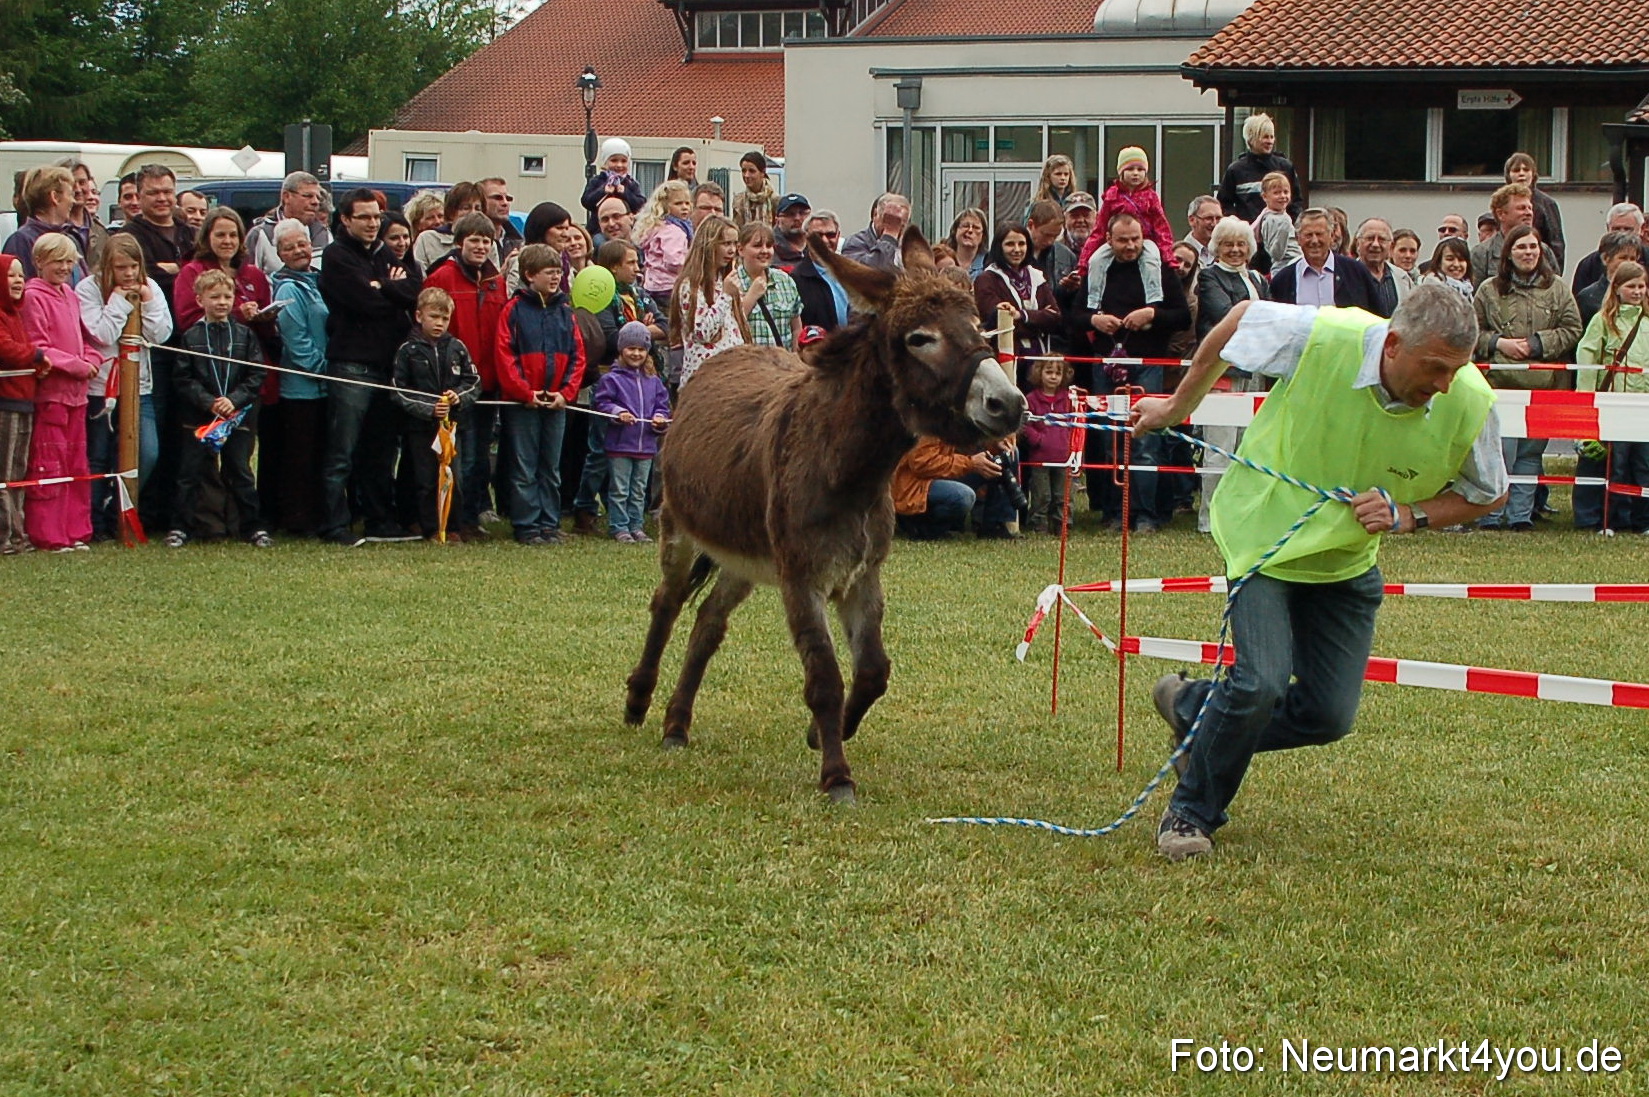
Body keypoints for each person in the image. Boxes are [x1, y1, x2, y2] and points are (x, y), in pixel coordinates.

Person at [1133, 285, 1507, 860]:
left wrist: (1411, 515)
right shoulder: (1324, 336)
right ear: (1393, 344)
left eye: (1456, 369)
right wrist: (1176, 408)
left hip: (1346, 560)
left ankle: (1192, 709)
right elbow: (1240, 320)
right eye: (1435, 367)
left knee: (1328, 716)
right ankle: (1190, 815)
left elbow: (1489, 493)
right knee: (1258, 685)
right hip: (1267, 538)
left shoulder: (1470, 400)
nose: (1445, 384)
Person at [1072, 212, 1191, 532]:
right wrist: (1094, 321)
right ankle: (1114, 513)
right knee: (1110, 441)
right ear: (1108, 240)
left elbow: (1182, 317)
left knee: (1145, 442)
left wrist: (1152, 314)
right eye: (1123, 240)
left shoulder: (1160, 269)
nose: (1130, 246)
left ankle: (1145, 514)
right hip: (1106, 366)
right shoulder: (1098, 268)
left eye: (1136, 239)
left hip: (1148, 365)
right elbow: (1074, 316)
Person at [317, 187, 422, 545]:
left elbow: (415, 289)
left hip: (387, 365)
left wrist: (385, 286)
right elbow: (365, 302)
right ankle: (334, 524)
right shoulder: (336, 256)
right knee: (341, 452)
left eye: (376, 216)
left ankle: (380, 520)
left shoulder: (383, 251)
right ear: (346, 220)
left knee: (381, 450)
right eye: (363, 217)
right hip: (352, 365)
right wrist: (390, 290)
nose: (372, 223)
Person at [1473, 224, 1581, 531]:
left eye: (1533, 246)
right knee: (1501, 453)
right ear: (1509, 253)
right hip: (1500, 385)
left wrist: (1538, 344)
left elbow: (1573, 328)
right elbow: (1472, 331)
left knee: (1530, 455)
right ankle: (1492, 515)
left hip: (1544, 385)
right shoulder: (1488, 290)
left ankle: (1520, 516)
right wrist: (1499, 343)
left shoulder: (1557, 288)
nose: (1528, 252)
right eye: (1521, 247)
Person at [75, 233, 170, 540]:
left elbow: (160, 334)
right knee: (98, 455)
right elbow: (102, 334)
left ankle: (119, 510)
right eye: (120, 267)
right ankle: (95, 523)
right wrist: (118, 300)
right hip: (100, 388)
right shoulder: (87, 288)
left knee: (148, 452)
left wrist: (147, 301)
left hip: (138, 386)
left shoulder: (149, 286)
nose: (129, 274)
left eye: (133, 266)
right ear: (107, 266)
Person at [167, 268, 269, 548]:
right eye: (215, 297)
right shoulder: (191, 336)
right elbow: (183, 378)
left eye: (227, 296)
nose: (222, 302)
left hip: (237, 416)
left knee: (240, 471)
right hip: (200, 417)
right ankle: (181, 527)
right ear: (200, 300)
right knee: (190, 473)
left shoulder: (245, 335)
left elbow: (256, 373)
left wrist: (234, 399)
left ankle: (252, 526)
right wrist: (208, 401)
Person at [421, 211, 505, 539]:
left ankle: (470, 518)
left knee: (480, 456)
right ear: (459, 243)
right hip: (455, 385)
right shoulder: (442, 277)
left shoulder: (496, 281)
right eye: (474, 240)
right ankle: (451, 520)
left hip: (487, 382)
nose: (481, 247)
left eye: (486, 241)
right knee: (458, 457)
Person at [495, 243, 586, 545]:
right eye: (549, 272)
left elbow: (577, 356)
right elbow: (505, 356)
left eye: (558, 272)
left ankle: (549, 522)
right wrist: (524, 392)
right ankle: (527, 524)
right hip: (524, 403)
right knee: (524, 466)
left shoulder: (565, 312)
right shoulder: (513, 310)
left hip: (556, 401)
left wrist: (566, 393)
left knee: (551, 466)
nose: (555, 277)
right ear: (530, 275)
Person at [20, 235, 100, 551]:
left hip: (78, 396)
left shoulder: (70, 295)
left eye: (69, 261)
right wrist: (77, 366)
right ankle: (49, 534)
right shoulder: (32, 296)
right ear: (40, 262)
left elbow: (84, 338)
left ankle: (76, 530)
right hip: (51, 395)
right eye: (58, 261)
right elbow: (38, 347)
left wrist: (93, 359)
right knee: (49, 464)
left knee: (76, 463)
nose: (65, 267)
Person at [389, 286, 479, 540]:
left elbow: (473, 382)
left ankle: (453, 527)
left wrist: (457, 397)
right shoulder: (408, 350)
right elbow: (398, 390)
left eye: (444, 318)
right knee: (426, 480)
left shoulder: (457, 347)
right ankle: (430, 528)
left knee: (454, 476)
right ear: (419, 316)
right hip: (421, 428)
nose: (439, 323)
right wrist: (429, 409)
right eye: (434, 317)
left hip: (451, 427)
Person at [1575, 261, 1648, 534]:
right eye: (1631, 286)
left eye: (1642, 286)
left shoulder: (1647, 322)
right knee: (1611, 466)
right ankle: (1607, 519)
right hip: (1613, 405)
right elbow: (1587, 359)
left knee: (1643, 465)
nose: (1637, 291)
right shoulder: (1602, 321)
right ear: (1616, 288)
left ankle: (1642, 520)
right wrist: (1587, 401)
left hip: (1643, 407)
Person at [269, 219, 329, 536]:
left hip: (323, 388)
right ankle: (297, 519)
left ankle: (318, 514)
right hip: (301, 388)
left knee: (320, 454)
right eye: (289, 247)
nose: (298, 251)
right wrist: (326, 370)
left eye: (302, 244)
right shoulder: (288, 288)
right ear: (279, 253)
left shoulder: (318, 280)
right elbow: (297, 342)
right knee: (299, 458)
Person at [592, 321, 670, 543]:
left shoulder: (654, 382)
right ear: (621, 349)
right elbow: (602, 403)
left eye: (641, 349)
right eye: (631, 348)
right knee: (620, 489)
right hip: (620, 446)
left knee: (638, 490)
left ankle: (636, 526)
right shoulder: (611, 379)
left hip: (645, 447)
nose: (636, 353)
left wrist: (659, 419)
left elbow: (662, 406)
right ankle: (619, 526)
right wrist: (618, 412)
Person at [974, 220, 1060, 383]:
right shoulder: (987, 279)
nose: (1017, 249)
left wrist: (1022, 315)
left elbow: (1055, 317)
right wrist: (1039, 319)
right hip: (1004, 363)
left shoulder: (1036, 277)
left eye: (1022, 244)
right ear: (999, 247)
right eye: (1010, 244)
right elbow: (997, 322)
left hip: (1039, 361)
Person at [0, 254, 45, 554]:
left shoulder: (15, 314)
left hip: (24, 400)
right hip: (6, 402)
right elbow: (7, 349)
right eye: (11, 275)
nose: (18, 281)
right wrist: (36, 355)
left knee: (18, 472)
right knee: (4, 474)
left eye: (21, 275)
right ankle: (4, 536)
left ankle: (18, 534)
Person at [891, 436, 1021, 539]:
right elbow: (921, 463)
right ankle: (917, 525)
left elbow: (968, 443)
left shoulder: (956, 416)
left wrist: (994, 443)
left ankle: (995, 526)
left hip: (941, 474)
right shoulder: (929, 419)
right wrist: (970, 463)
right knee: (964, 496)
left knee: (1007, 454)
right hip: (915, 485)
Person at [670, 215, 747, 385]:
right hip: (704, 378)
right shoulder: (690, 285)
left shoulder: (724, 280)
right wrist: (725, 296)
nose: (732, 250)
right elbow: (701, 333)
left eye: (734, 244)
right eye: (726, 244)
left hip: (731, 374)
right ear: (708, 245)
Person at [1083, 147, 1177, 276]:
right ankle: (1094, 289)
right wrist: (1083, 262)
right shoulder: (1112, 195)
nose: (1135, 173)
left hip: (1146, 240)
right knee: (1096, 261)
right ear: (1121, 172)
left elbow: (1161, 227)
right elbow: (1100, 228)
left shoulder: (1151, 196)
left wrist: (1168, 256)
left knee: (1152, 259)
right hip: (1116, 241)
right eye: (1130, 169)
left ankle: (1154, 289)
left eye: (1140, 169)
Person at [1269, 209, 1381, 312]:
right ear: (1298, 238)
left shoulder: (1355, 272)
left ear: (1331, 236)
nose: (1314, 240)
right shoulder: (1283, 281)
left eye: (1319, 234)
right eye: (1308, 235)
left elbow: (1378, 317)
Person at [1019, 356, 1074, 533]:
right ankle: (1038, 524)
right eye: (1049, 372)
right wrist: (1038, 439)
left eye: (1058, 373)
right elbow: (1025, 424)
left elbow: (1076, 424)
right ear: (1039, 373)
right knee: (1042, 495)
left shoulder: (1069, 399)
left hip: (1064, 457)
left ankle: (1062, 524)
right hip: (1040, 457)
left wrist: (1070, 443)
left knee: (1062, 495)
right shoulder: (1031, 399)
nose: (1053, 377)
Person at [1219, 112, 1305, 223]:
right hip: (1247, 231)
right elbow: (1224, 203)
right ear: (1251, 139)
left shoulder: (1285, 167)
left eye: (1272, 137)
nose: (1270, 141)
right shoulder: (1235, 170)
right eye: (1265, 137)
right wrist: (1238, 224)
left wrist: (1291, 223)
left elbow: (1296, 201)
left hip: (1281, 230)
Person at [731, 221, 803, 351]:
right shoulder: (731, 283)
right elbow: (730, 327)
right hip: (748, 361)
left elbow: (796, 328)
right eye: (757, 246)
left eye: (769, 246)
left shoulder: (785, 280)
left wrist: (795, 357)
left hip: (782, 361)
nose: (764, 251)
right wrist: (751, 296)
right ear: (740, 249)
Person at [3, 166, 81, 281]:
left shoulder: (71, 238)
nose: (73, 201)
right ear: (55, 197)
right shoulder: (21, 241)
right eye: (70, 194)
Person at [1469, 183, 1555, 287]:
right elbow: (1476, 293)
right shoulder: (1481, 253)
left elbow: (1555, 289)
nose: (1529, 213)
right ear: (1501, 214)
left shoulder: (1543, 251)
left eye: (1530, 208)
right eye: (1521, 208)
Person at [246, 171, 329, 276]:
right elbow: (248, 279)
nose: (315, 202)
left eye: (318, 198)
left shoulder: (323, 234)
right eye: (308, 196)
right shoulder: (261, 234)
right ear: (286, 197)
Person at [634, 180, 693, 312]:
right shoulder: (674, 231)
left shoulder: (657, 227)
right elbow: (674, 261)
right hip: (669, 286)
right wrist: (690, 268)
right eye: (678, 203)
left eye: (687, 203)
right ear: (665, 206)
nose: (684, 207)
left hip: (653, 285)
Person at [1504, 152, 1564, 272]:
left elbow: (1556, 242)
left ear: (1533, 174)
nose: (1521, 174)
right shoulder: (1502, 200)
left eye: (1526, 170)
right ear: (1508, 175)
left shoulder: (1546, 203)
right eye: (1516, 170)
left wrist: (1553, 272)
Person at [790, 210, 847, 332]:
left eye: (830, 235)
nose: (824, 240)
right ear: (806, 238)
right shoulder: (795, 280)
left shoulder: (850, 273)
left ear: (838, 236)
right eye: (817, 236)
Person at [1575, 231, 1645, 330]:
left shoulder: (1645, 296)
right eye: (1623, 258)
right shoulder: (1588, 298)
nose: (1629, 263)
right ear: (1606, 259)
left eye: (1633, 259)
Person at [1571, 205, 1649, 292]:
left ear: (1641, 229)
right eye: (1616, 229)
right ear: (1608, 228)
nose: (1621, 234)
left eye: (1628, 229)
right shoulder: (1589, 265)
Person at [412, 182, 485, 273]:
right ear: (451, 212)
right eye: (466, 208)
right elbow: (418, 275)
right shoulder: (427, 239)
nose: (473, 213)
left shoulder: (488, 243)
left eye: (478, 208)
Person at [580, 139, 646, 234]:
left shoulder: (630, 183)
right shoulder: (598, 180)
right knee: (599, 241)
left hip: (627, 230)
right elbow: (586, 201)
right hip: (599, 230)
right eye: (614, 160)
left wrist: (625, 193)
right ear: (605, 162)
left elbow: (641, 204)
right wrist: (603, 191)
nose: (619, 165)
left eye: (623, 161)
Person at [56, 157, 109, 271]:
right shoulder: (55, 229)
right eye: (71, 183)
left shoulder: (101, 231)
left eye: (82, 182)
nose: (78, 189)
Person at [843, 194, 910, 272]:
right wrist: (889, 235)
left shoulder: (908, 247)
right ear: (875, 214)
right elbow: (874, 271)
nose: (896, 229)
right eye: (889, 221)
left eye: (901, 225)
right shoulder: (855, 243)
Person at [1353, 218, 1406, 316]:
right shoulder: (1345, 275)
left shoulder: (1402, 278)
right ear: (1358, 244)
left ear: (1391, 246)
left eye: (1382, 239)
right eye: (1370, 238)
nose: (1375, 244)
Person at [1249, 173, 1300, 275]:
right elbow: (1276, 254)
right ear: (1265, 197)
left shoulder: (1280, 215)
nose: (1283, 196)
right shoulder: (1272, 219)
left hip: (1295, 261)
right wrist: (1284, 227)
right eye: (1276, 193)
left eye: (1286, 192)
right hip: (1286, 266)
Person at [479, 177, 524, 262]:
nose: (505, 203)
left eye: (508, 199)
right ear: (480, 202)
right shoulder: (471, 242)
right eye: (498, 198)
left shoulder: (519, 244)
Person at [1417, 237, 1475, 301]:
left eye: (1461, 259)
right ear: (1439, 262)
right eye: (1450, 259)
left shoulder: (1467, 288)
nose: (1456, 264)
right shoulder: (1431, 289)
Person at [731, 151, 777, 228]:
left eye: (752, 171)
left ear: (763, 172)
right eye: (744, 171)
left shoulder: (774, 200)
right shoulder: (738, 201)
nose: (746, 175)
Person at [941, 207, 987, 278]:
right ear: (955, 231)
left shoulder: (988, 264)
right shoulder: (942, 259)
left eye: (976, 227)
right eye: (965, 226)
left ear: (983, 235)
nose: (970, 230)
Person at [772, 193, 811, 269]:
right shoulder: (769, 249)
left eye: (802, 213)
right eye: (790, 214)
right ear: (777, 221)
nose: (797, 218)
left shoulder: (820, 246)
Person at [1181, 195, 1222, 268]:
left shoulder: (1226, 252)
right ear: (1192, 220)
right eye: (1209, 218)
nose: (1214, 224)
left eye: (1218, 218)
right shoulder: (1179, 255)